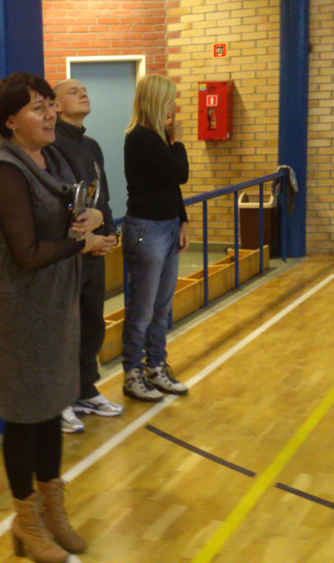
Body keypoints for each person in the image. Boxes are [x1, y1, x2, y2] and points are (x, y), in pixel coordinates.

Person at [0, 72, 109, 563]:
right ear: (10, 122)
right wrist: (82, 243)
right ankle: (26, 521)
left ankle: (53, 511)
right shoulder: (4, 171)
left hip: (58, 301)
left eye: (49, 105)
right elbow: (27, 253)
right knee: (24, 416)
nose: (51, 113)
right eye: (38, 108)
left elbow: (80, 207)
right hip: (21, 307)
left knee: (53, 406)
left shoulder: (51, 157)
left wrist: (94, 218)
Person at [50, 78, 122, 433]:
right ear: (56, 105)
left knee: (92, 322)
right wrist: (86, 234)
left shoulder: (91, 146)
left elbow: (101, 194)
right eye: (73, 91)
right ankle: (60, 398)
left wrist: (109, 230)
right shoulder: (52, 146)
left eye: (84, 90)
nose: (83, 93)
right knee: (66, 325)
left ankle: (85, 389)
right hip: (70, 249)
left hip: (94, 249)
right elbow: (61, 200)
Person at [120, 74, 191, 402]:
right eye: (170, 99)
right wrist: (178, 141)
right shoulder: (141, 137)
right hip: (146, 230)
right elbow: (180, 173)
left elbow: (171, 186)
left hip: (168, 225)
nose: (174, 106)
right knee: (143, 308)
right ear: (157, 100)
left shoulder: (159, 138)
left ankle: (156, 365)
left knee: (162, 307)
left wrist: (183, 220)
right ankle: (132, 371)